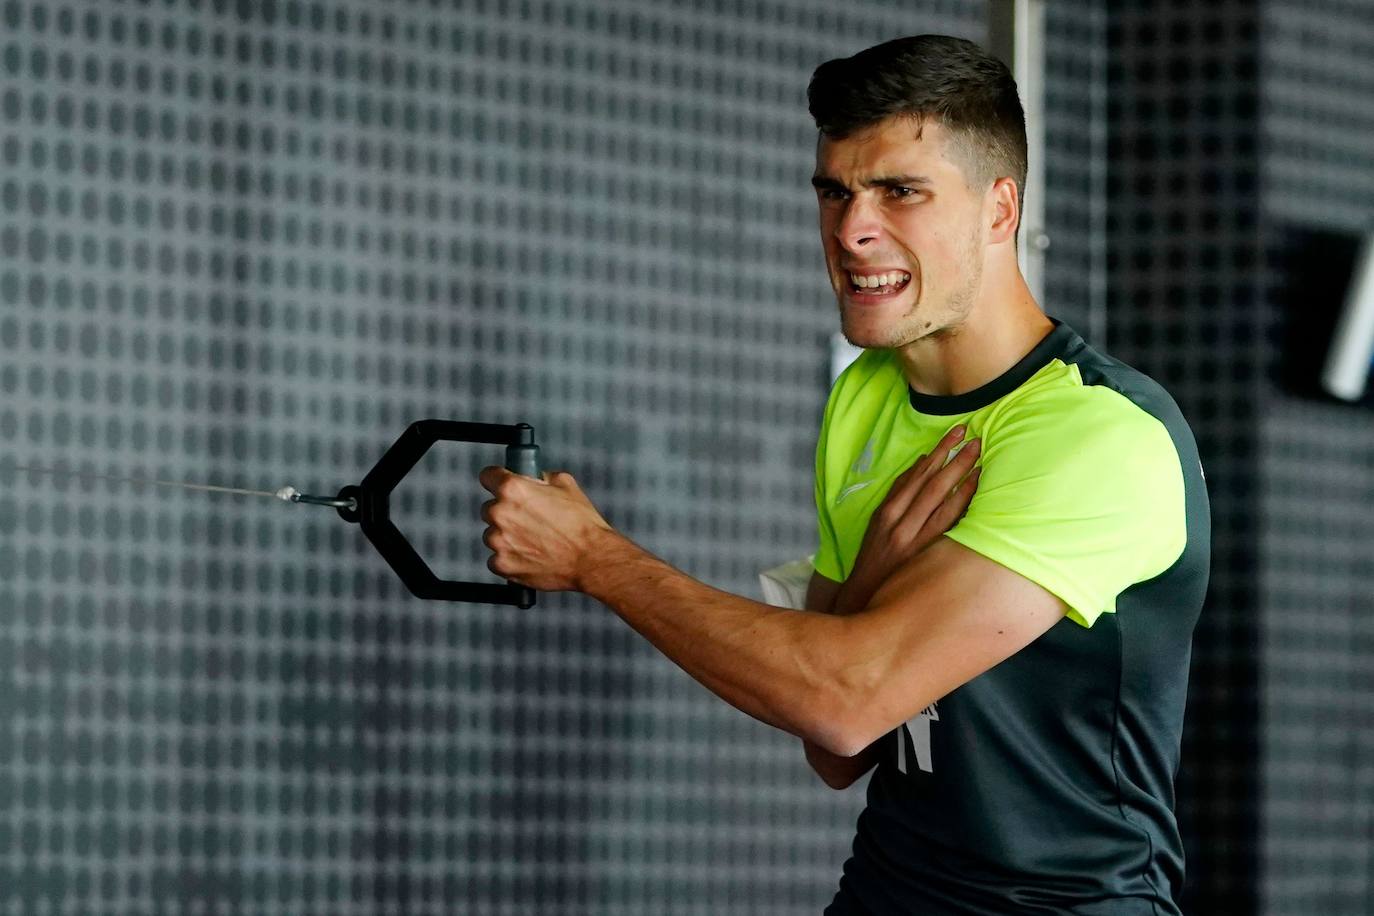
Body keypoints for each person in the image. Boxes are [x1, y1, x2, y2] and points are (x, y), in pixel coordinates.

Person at [479, 34, 1210, 915]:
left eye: (900, 191)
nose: (853, 229)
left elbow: (844, 699)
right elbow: (836, 754)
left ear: (999, 209)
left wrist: (597, 559)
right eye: (835, 191)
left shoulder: (1100, 434)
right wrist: (870, 588)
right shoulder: (865, 396)